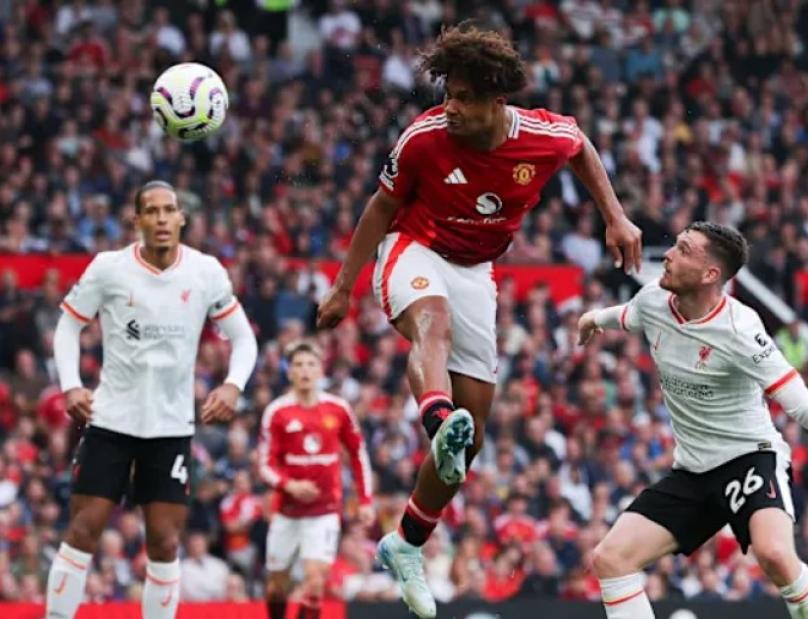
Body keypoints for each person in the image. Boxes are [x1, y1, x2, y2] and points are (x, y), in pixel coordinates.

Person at [315, 23, 641, 618]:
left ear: (497, 100)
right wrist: (343, 287)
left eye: (464, 98)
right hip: (413, 249)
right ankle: (437, 417)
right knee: (432, 324)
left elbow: (580, 147)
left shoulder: (540, 135)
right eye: (448, 95)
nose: (451, 107)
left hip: (475, 271)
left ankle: (405, 543)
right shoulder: (423, 138)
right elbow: (381, 206)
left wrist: (615, 217)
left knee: (474, 440)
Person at [577, 222, 808, 619]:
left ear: (710, 274)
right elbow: (627, 315)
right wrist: (592, 318)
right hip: (693, 471)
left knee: (774, 554)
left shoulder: (740, 330)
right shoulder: (654, 300)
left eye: (683, 250)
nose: (668, 254)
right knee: (610, 559)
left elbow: (803, 407)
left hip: (749, 458)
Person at [45, 180, 258, 619]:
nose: (161, 219)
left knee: (164, 542)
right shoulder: (109, 268)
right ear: (137, 220)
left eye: (168, 210)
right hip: (111, 422)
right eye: (152, 211)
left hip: (170, 428)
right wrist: (71, 384)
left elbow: (244, 338)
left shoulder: (205, 272)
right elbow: (68, 326)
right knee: (83, 530)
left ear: (181, 218)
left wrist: (233, 385)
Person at [258, 340, 375, 619]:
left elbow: (358, 454)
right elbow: (264, 464)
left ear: (321, 370)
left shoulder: (338, 409)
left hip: (324, 511)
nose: (305, 370)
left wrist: (365, 500)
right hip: (287, 511)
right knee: (276, 587)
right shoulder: (277, 412)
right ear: (289, 372)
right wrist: (290, 485)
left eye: (311, 364)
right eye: (298, 365)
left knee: (315, 582)